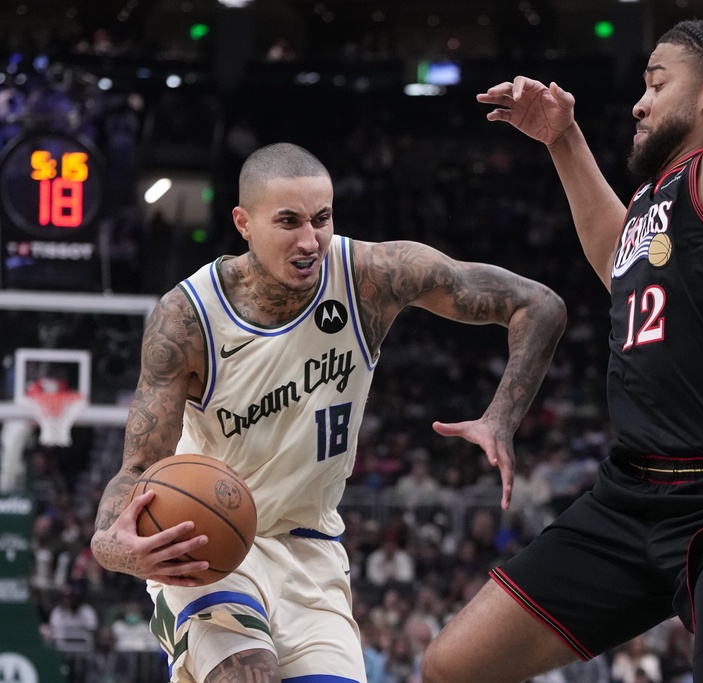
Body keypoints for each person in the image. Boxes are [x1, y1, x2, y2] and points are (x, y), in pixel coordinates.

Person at [420, 2, 703, 682]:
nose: (638, 104)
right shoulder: (652, 203)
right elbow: (617, 258)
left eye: (656, 82)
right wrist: (563, 139)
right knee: (451, 666)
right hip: (630, 493)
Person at [89, 142, 566, 683]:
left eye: (321, 219)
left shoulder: (371, 276)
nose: (309, 240)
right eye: (288, 221)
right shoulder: (187, 318)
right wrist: (113, 546)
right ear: (243, 222)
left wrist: (502, 416)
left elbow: (540, 305)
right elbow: (135, 468)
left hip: (312, 551)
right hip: (209, 548)